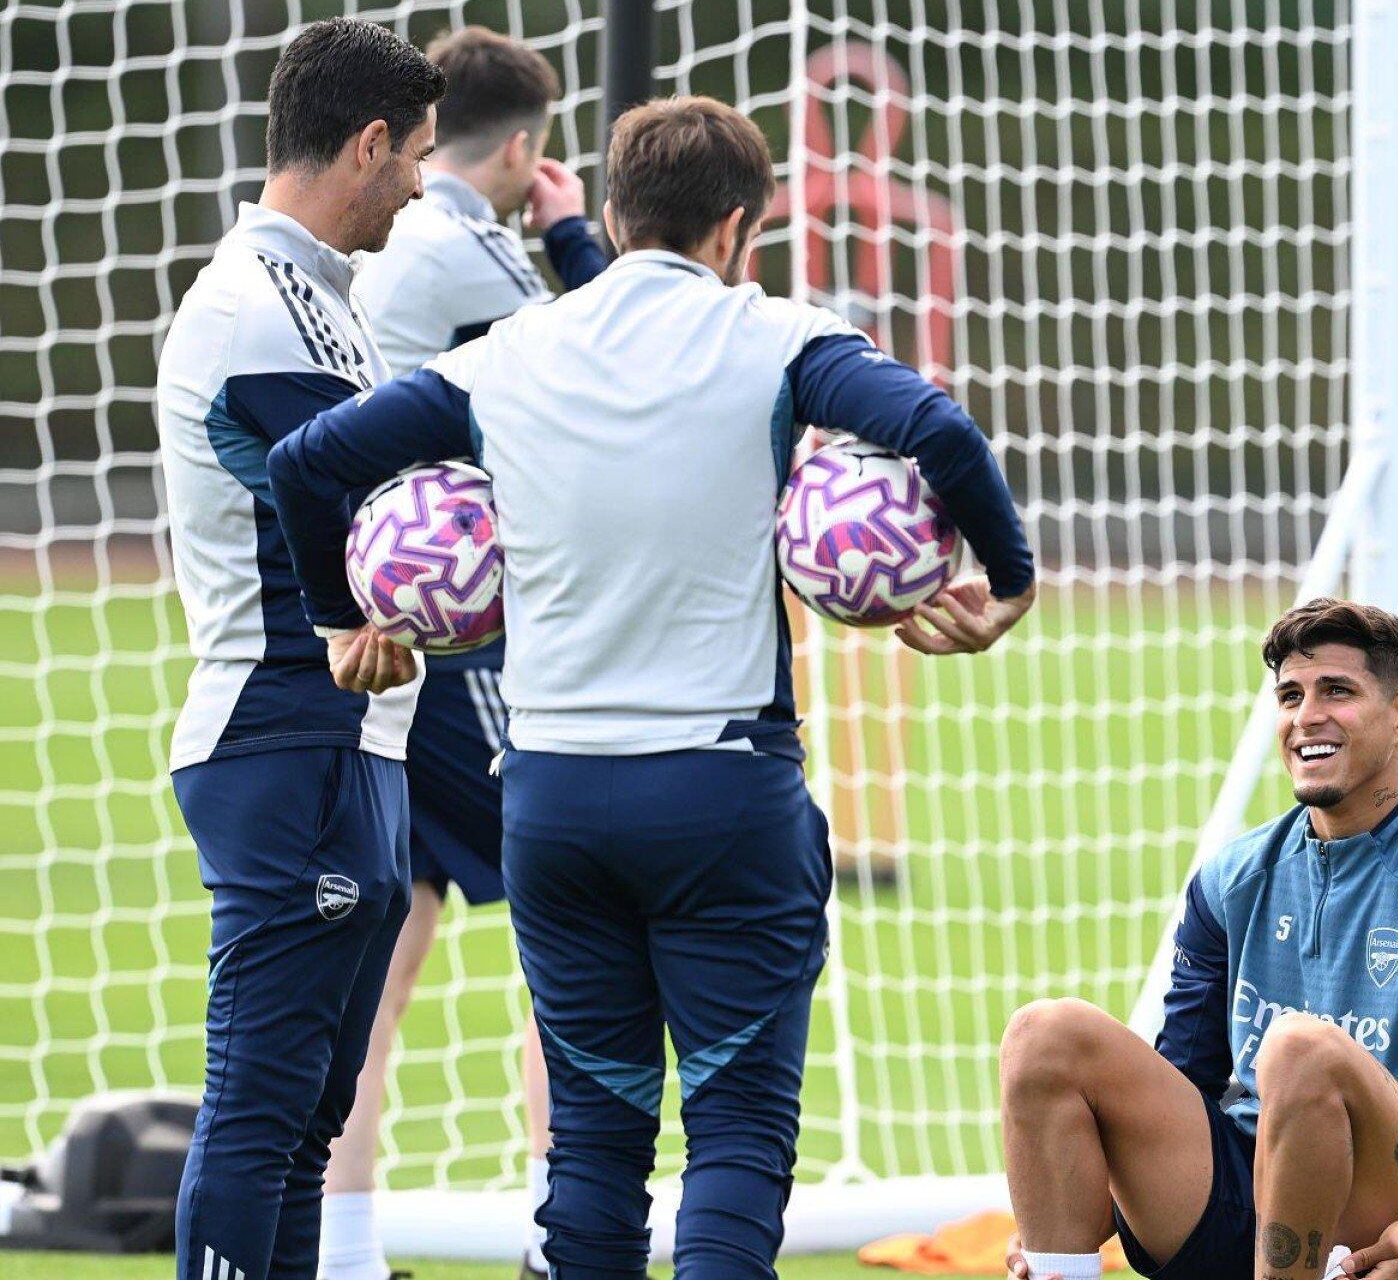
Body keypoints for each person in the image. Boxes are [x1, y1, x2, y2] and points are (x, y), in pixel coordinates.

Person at [264, 95, 1037, 1278]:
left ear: (615, 215)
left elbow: (307, 462)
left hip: (556, 800)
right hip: (724, 793)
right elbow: (938, 430)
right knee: (733, 1135)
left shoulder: (507, 354)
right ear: (737, 228)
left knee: (594, 1150)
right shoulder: (779, 337)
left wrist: (339, 619)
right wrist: (1011, 581)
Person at [998, 599, 1398, 1280]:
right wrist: (1060, 1212)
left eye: (1336, 691)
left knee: (1299, 1048)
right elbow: (1185, 1083)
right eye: (1290, 695)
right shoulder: (1231, 879)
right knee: (1044, 1032)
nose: (1307, 715)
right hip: (1245, 1200)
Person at [154, 17, 443, 1280]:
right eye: (416, 157)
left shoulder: (322, 297)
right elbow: (381, 503)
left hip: (351, 745)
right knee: (263, 1107)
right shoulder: (257, 305)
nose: (423, 185)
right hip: (288, 736)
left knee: (310, 1120)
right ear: (368, 144)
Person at [321, 23, 610, 1280]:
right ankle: (566, 1231)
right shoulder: (476, 248)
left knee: (379, 963)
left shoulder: (375, 243)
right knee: (577, 931)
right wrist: (574, 230)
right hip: (461, 650)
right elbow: (612, 371)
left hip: (374, 634)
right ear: (529, 145)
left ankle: (339, 1245)